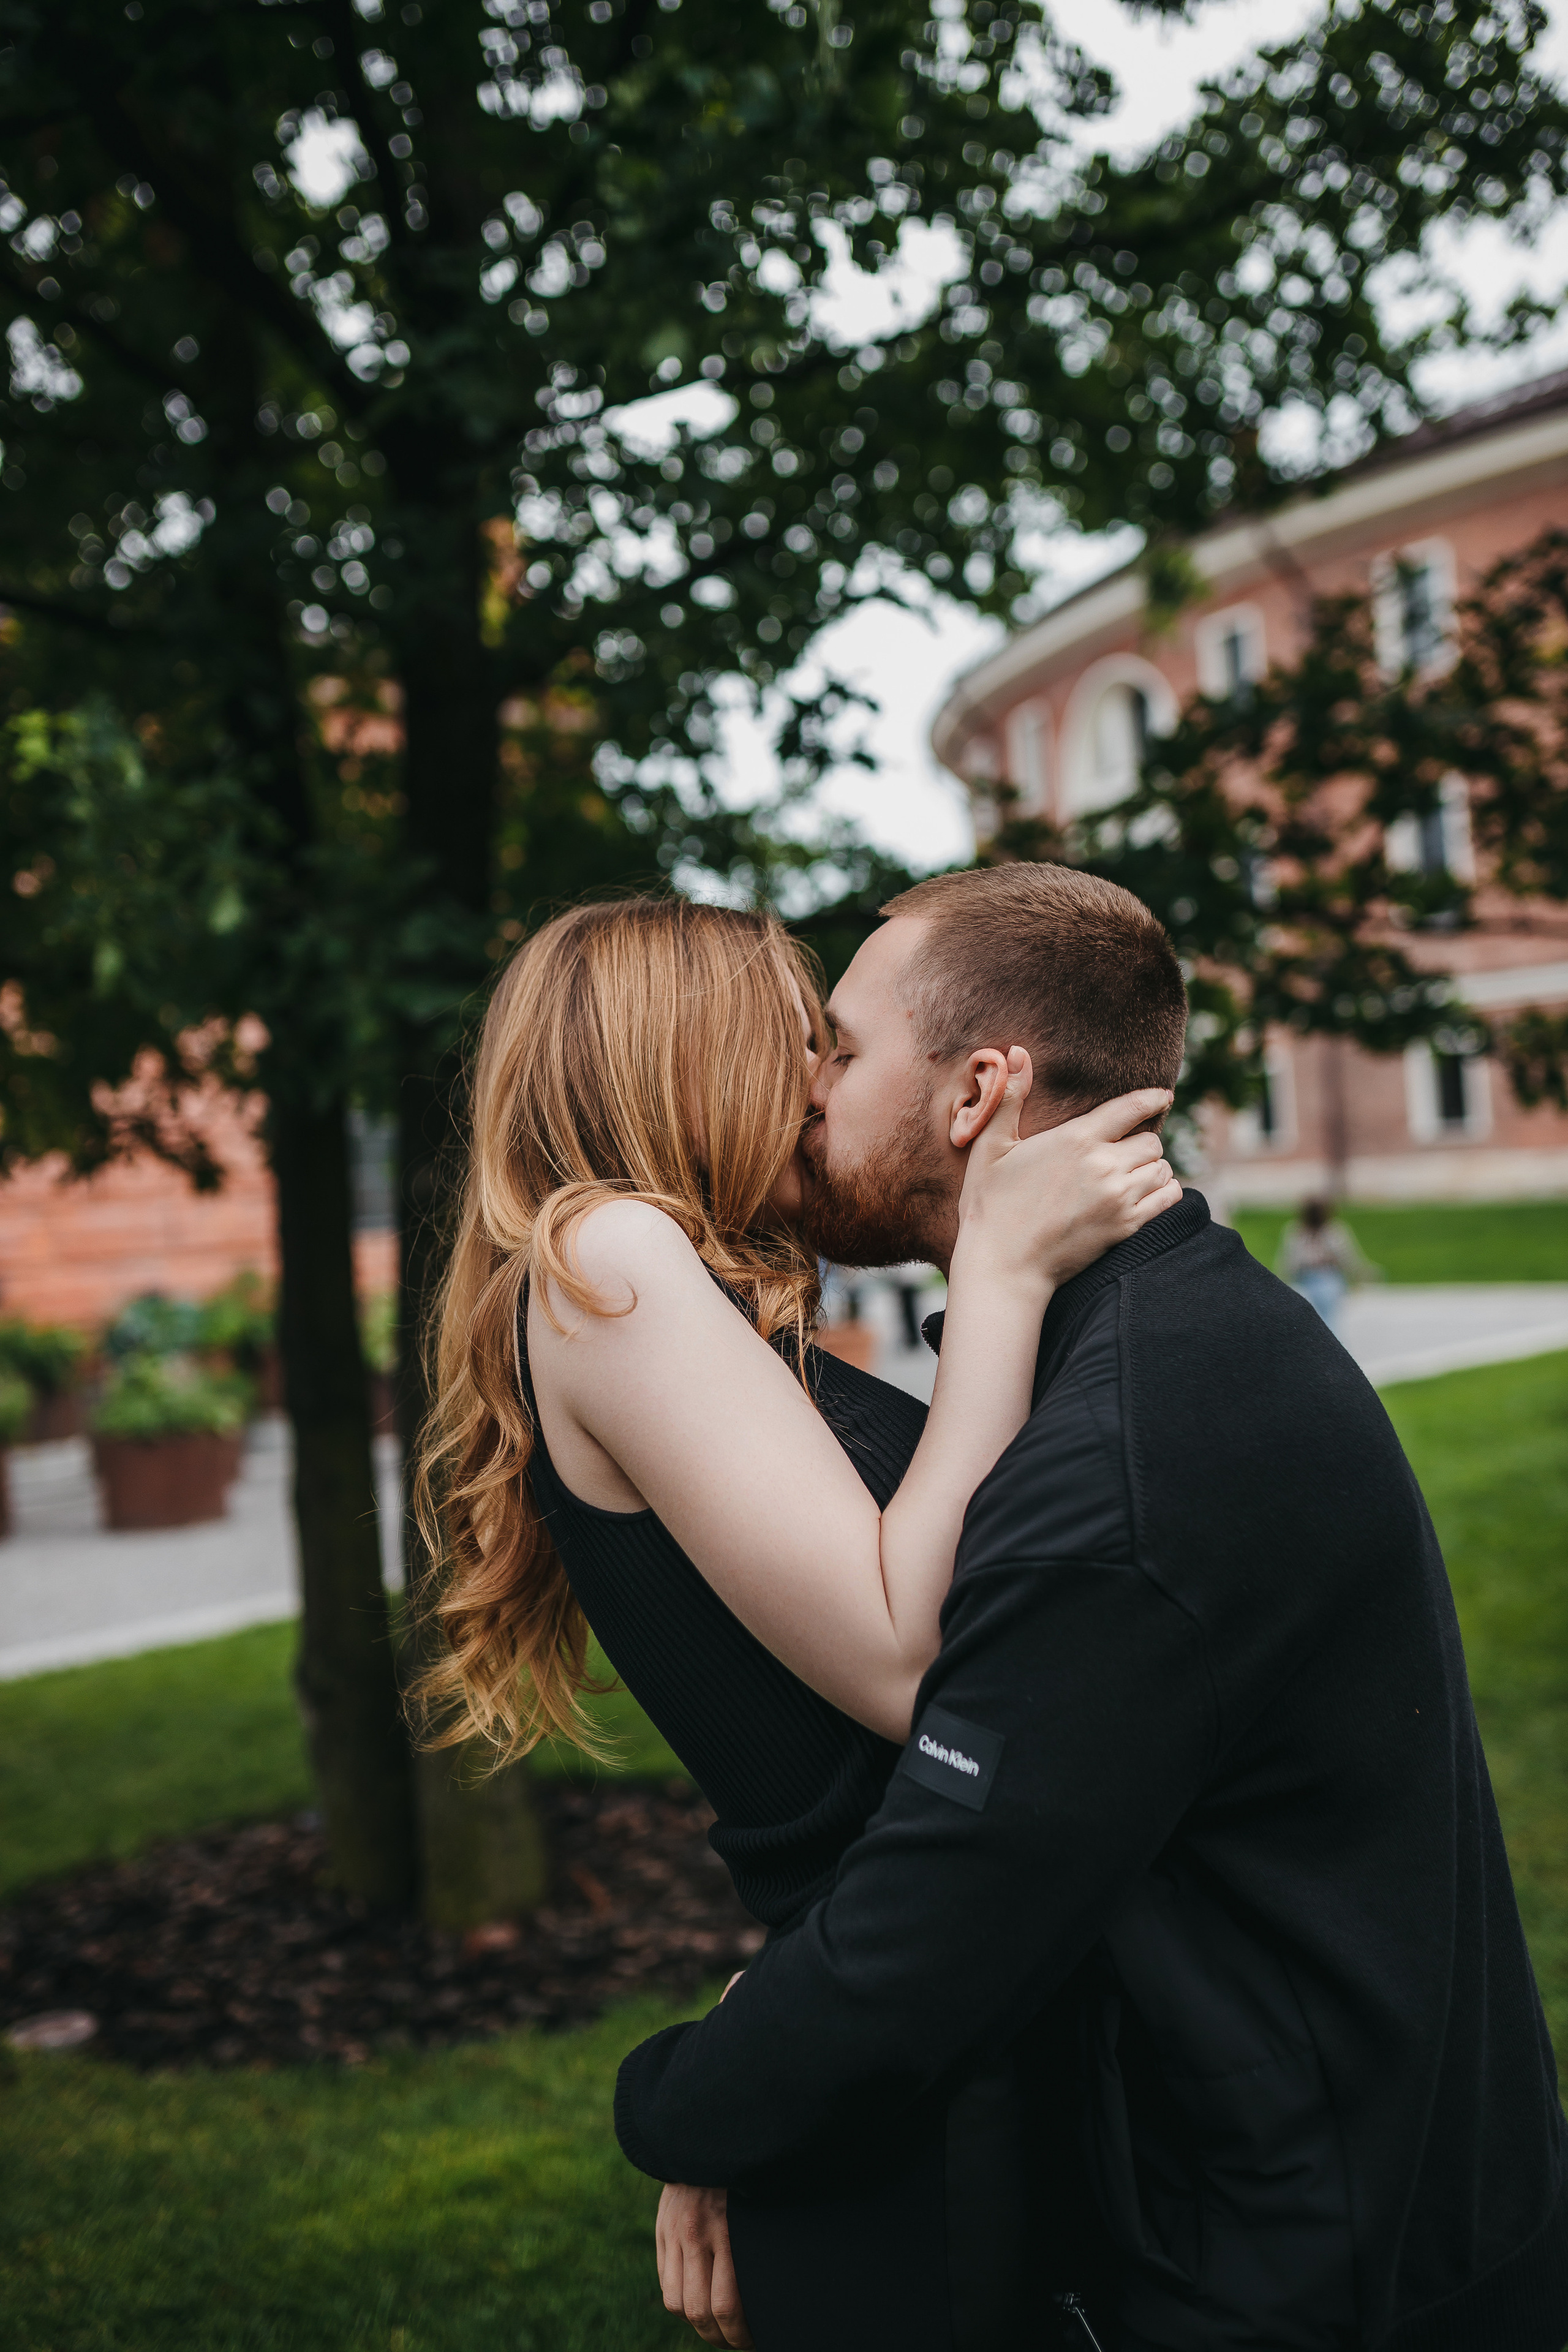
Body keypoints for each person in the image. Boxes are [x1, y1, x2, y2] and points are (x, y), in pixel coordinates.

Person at [616, 864, 1568, 2352]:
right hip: (1361, 2206)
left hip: (1310, 2274)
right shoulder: (1168, 1334)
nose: (799, 1089)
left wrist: (683, 2102)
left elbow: (935, 1921)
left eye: (840, 1051)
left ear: (976, 1090)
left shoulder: (1131, 1443)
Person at [416, 885, 1183, 2351]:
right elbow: (906, 1654)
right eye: (799, 1045)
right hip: (915, 2097)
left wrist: (755, 2042)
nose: (825, 1085)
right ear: (680, 1057)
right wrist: (1001, 1272)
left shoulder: (654, 1289)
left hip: (900, 2001)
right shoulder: (608, 1261)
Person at [1277, 1196, 1377, 1333]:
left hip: (1322, 1277)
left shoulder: (1328, 1231)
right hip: (1315, 1278)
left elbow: (1290, 1259)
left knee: (1325, 1319)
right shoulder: (1303, 1232)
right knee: (1324, 1319)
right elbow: (1346, 1257)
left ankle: (1327, 1349)